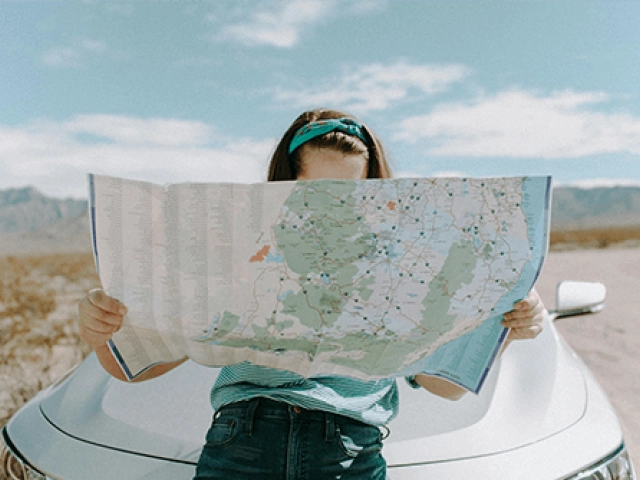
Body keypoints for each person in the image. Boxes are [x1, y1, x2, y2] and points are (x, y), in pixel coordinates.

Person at [77, 108, 546, 479]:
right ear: (284, 185)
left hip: (349, 452)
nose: (329, 206)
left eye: (349, 193)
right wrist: (102, 331)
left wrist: (504, 330)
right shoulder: (238, 251)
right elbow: (139, 369)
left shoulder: (406, 262)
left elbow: (443, 386)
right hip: (242, 443)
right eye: (313, 190)